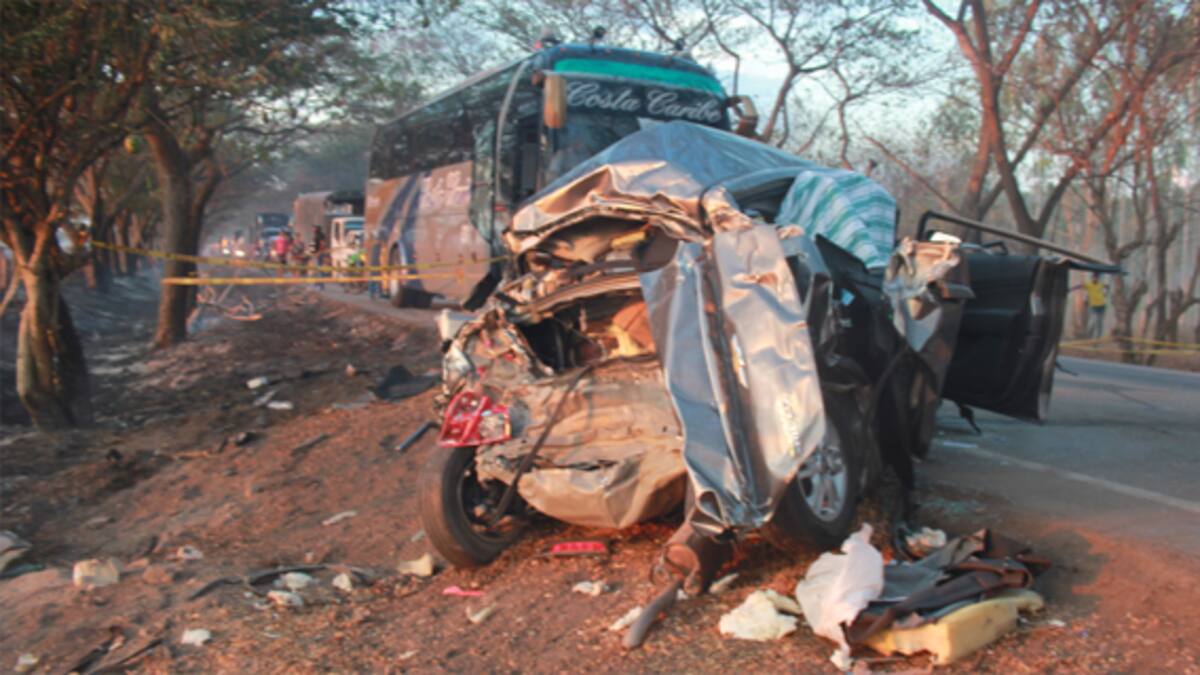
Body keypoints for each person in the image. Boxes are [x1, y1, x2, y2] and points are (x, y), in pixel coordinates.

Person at [1080, 272, 1108, 339]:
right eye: (1094, 277)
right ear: (1092, 278)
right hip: (1093, 306)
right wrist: (1085, 299)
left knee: (1099, 322)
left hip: (1102, 305)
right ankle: (1088, 336)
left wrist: (1105, 291)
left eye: (1097, 278)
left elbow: (1105, 287)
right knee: (1093, 321)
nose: (1095, 279)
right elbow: (1083, 287)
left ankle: (1098, 338)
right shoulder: (1089, 284)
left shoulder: (1100, 284)